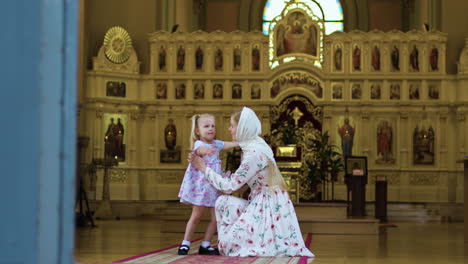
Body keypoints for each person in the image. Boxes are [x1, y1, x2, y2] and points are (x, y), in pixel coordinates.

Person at [189, 107, 314, 257]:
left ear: (242, 128)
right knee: (223, 203)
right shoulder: (256, 143)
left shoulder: (253, 154)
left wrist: (204, 168)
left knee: (228, 228)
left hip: (267, 207)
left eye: (232, 125)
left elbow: (229, 187)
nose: (229, 129)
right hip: (264, 202)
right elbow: (240, 182)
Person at [178, 114, 239, 255]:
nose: (211, 128)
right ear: (198, 131)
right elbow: (199, 150)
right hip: (201, 187)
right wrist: (207, 151)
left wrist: (240, 143)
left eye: (213, 126)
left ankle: (205, 245)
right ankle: (185, 243)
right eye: (206, 126)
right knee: (196, 215)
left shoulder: (216, 144)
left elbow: (227, 144)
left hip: (214, 186)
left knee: (215, 218)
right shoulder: (199, 144)